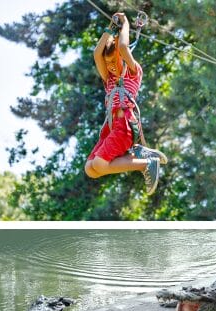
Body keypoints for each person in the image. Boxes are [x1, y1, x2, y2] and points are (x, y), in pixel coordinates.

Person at [84, 12, 167, 195]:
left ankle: (146, 163)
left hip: (126, 125)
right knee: (90, 169)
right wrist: (110, 28)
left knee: (99, 163)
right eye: (108, 63)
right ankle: (137, 154)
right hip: (112, 128)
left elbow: (122, 46)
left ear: (123, 58)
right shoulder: (109, 80)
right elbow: (97, 54)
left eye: (114, 61)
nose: (111, 66)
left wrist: (125, 23)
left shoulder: (132, 71)